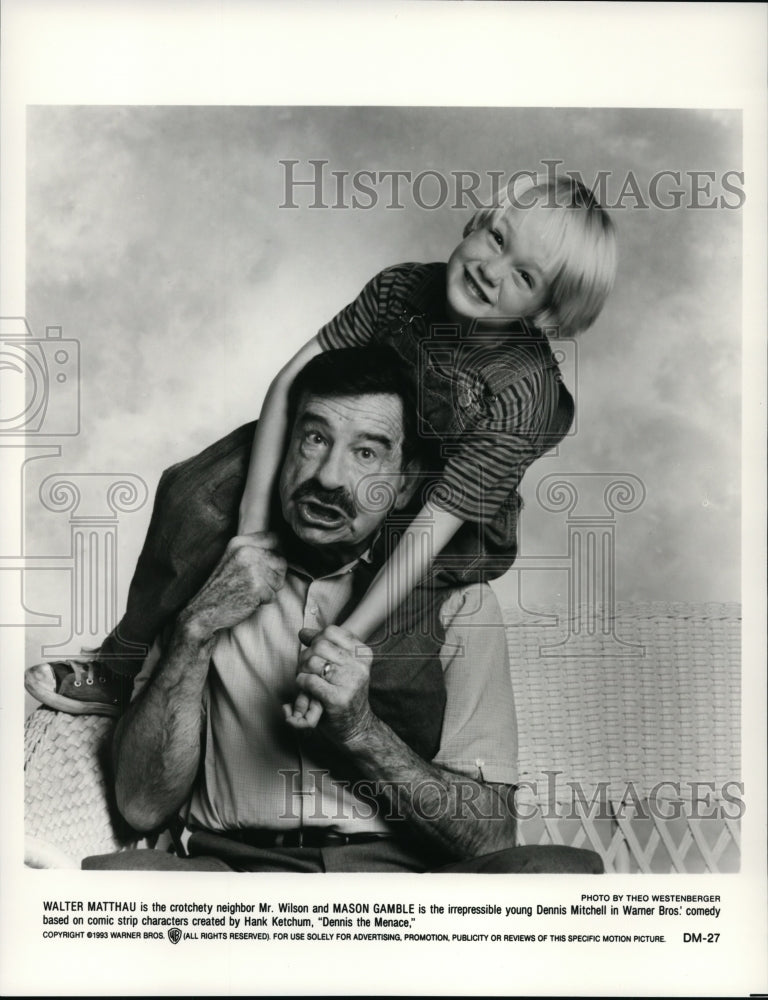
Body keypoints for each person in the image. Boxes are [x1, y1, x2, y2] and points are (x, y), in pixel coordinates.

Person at [25, 172, 616, 719]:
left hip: (450, 508)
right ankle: (120, 667)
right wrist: (249, 535)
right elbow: (291, 384)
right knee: (194, 491)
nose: (492, 268)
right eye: (497, 237)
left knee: (397, 620)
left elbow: (438, 521)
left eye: (525, 276)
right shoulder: (401, 290)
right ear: (475, 223)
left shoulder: (522, 392)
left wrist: (347, 638)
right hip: (361, 447)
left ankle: (377, 768)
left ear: (544, 313)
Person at [82, 347, 602, 873]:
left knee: (556, 872)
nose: (329, 477)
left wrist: (360, 732)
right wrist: (195, 629)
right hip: (238, 878)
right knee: (113, 881)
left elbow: (490, 835)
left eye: (367, 453)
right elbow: (141, 806)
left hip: (403, 889)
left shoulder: (459, 600)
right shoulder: (204, 581)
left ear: (404, 484)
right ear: (281, 451)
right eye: (314, 439)